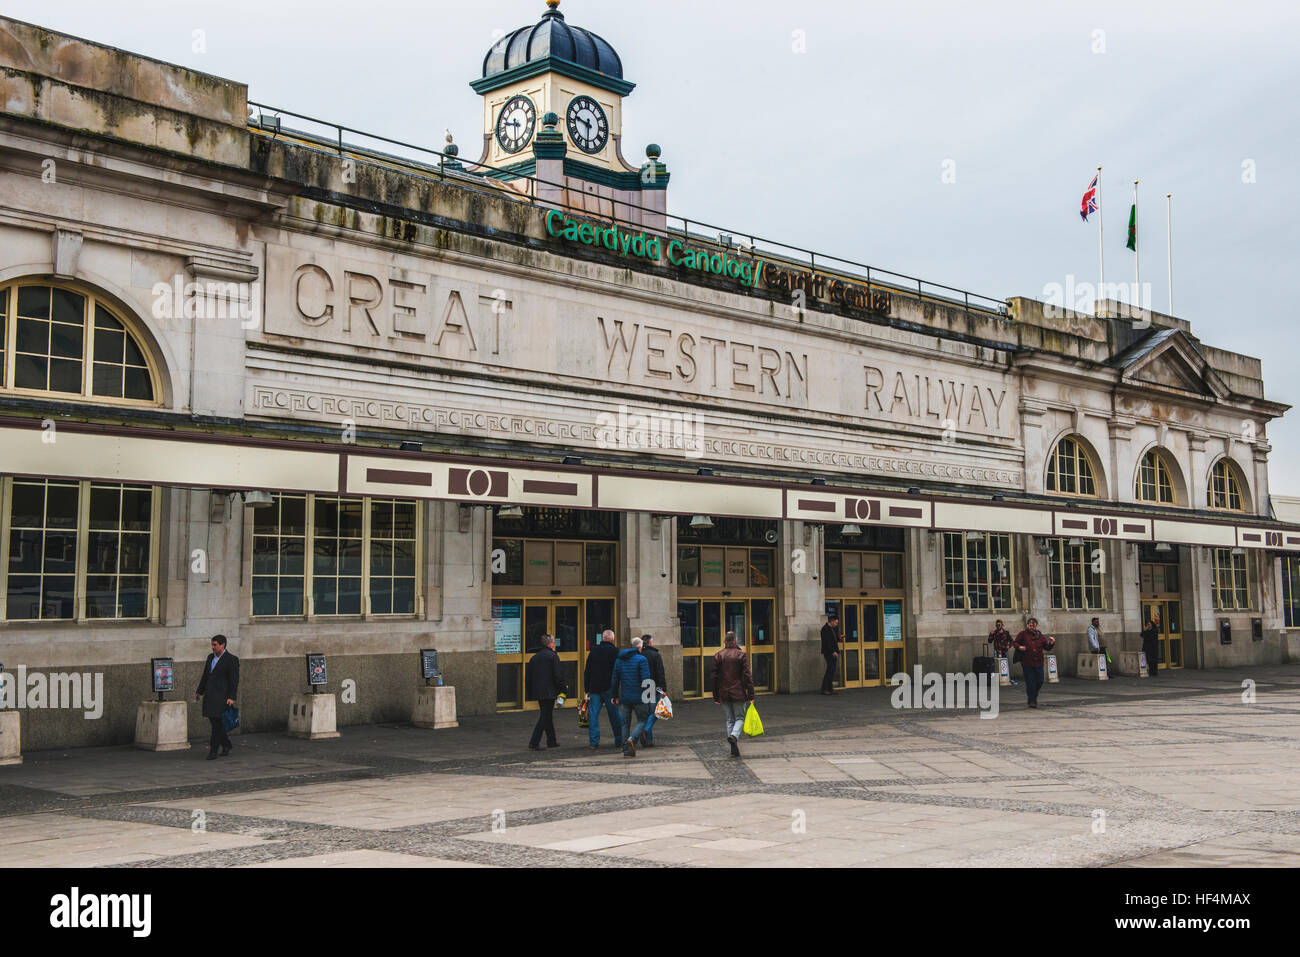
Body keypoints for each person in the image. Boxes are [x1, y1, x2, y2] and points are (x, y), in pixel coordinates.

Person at [194, 634, 239, 760]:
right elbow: (205, 676)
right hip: (210, 695)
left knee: (217, 725)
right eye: (212, 644)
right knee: (215, 723)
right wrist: (199, 691)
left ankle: (213, 750)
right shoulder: (210, 658)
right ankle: (226, 744)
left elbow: (234, 680)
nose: (213, 647)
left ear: (222, 645)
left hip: (222, 696)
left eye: (215, 645)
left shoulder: (231, 659)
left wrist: (231, 696)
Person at [712, 630, 755, 757]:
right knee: (740, 717)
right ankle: (734, 736)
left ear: (724, 641)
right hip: (738, 692)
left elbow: (713, 677)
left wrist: (715, 695)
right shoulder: (741, 655)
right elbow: (747, 676)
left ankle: (733, 747)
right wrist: (751, 694)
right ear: (735, 640)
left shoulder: (718, 655)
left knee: (730, 720)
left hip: (724, 692)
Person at [610, 636, 652, 758]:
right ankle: (632, 740)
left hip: (625, 697)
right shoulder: (642, 660)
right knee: (642, 720)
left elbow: (615, 679)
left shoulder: (619, 660)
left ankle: (626, 751)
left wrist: (614, 695)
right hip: (639, 697)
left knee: (625, 724)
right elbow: (646, 680)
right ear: (640, 647)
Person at [583, 629, 622, 750]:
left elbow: (587, 670)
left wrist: (587, 688)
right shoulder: (615, 651)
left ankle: (594, 742)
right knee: (614, 714)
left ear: (602, 638)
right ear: (612, 639)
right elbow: (618, 671)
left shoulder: (594, 650)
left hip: (594, 687)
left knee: (593, 714)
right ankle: (619, 739)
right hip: (609, 687)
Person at [527, 634, 567, 750]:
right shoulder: (553, 657)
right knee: (545, 716)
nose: (554, 645)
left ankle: (552, 740)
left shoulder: (534, 657)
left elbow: (529, 677)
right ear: (550, 644)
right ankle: (534, 742)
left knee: (547, 715)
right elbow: (558, 675)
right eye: (553, 643)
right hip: (549, 691)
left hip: (538, 691)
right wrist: (563, 688)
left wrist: (530, 692)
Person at [1013, 617, 1056, 709]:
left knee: (1040, 680)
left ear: (1036, 626)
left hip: (1038, 662)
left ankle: (1033, 696)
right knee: (1031, 682)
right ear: (1027, 625)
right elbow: (1015, 643)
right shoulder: (1023, 634)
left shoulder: (1040, 636)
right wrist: (1020, 647)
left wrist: (1051, 643)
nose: (1031, 626)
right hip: (1027, 662)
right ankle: (1032, 700)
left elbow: (1047, 647)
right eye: (1029, 625)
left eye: (1033, 625)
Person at [639, 634, 667, 748]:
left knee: (647, 714)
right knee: (655, 712)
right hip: (653, 687)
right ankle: (645, 730)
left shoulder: (639, 654)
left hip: (642, 687)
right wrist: (662, 690)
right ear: (650, 643)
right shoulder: (655, 655)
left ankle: (648, 740)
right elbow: (660, 673)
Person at [987, 618, 1017, 686]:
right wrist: (991, 635)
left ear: (1002, 625)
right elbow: (989, 641)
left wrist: (1008, 646)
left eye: (999, 625)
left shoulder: (1006, 633)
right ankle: (998, 679)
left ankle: (1008, 678)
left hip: (1004, 650)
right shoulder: (994, 633)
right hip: (997, 650)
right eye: (997, 625)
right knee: (996, 665)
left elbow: (1012, 641)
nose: (998, 626)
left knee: (1006, 665)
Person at [820, 614, 840, 695]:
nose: (836, 624)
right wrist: (833, 651)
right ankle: (825, 689)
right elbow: (827, 642)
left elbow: (834, 640)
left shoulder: (831, 629)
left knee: (832, 671)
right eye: (835, 622)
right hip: (829, 653)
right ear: (831, 621)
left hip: (833, 652)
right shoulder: (825, 629)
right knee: (829, 670)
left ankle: (830, 688)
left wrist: (839, 638)